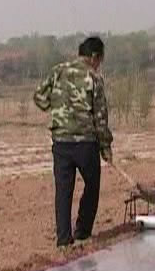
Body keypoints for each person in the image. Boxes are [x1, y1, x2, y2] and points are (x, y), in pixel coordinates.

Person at [34, 37, 113, 248]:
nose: (99, 65)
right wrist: (106, 147)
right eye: (100, 60)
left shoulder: (58, 70)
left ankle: (63, 240)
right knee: (92, 186)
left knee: (63, 191)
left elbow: (39, 98)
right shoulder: (93, 78)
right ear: (95, 57)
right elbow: (101, 117)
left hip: (60, 142)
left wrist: (58, 110)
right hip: (85, 143)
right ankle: (82, 233)